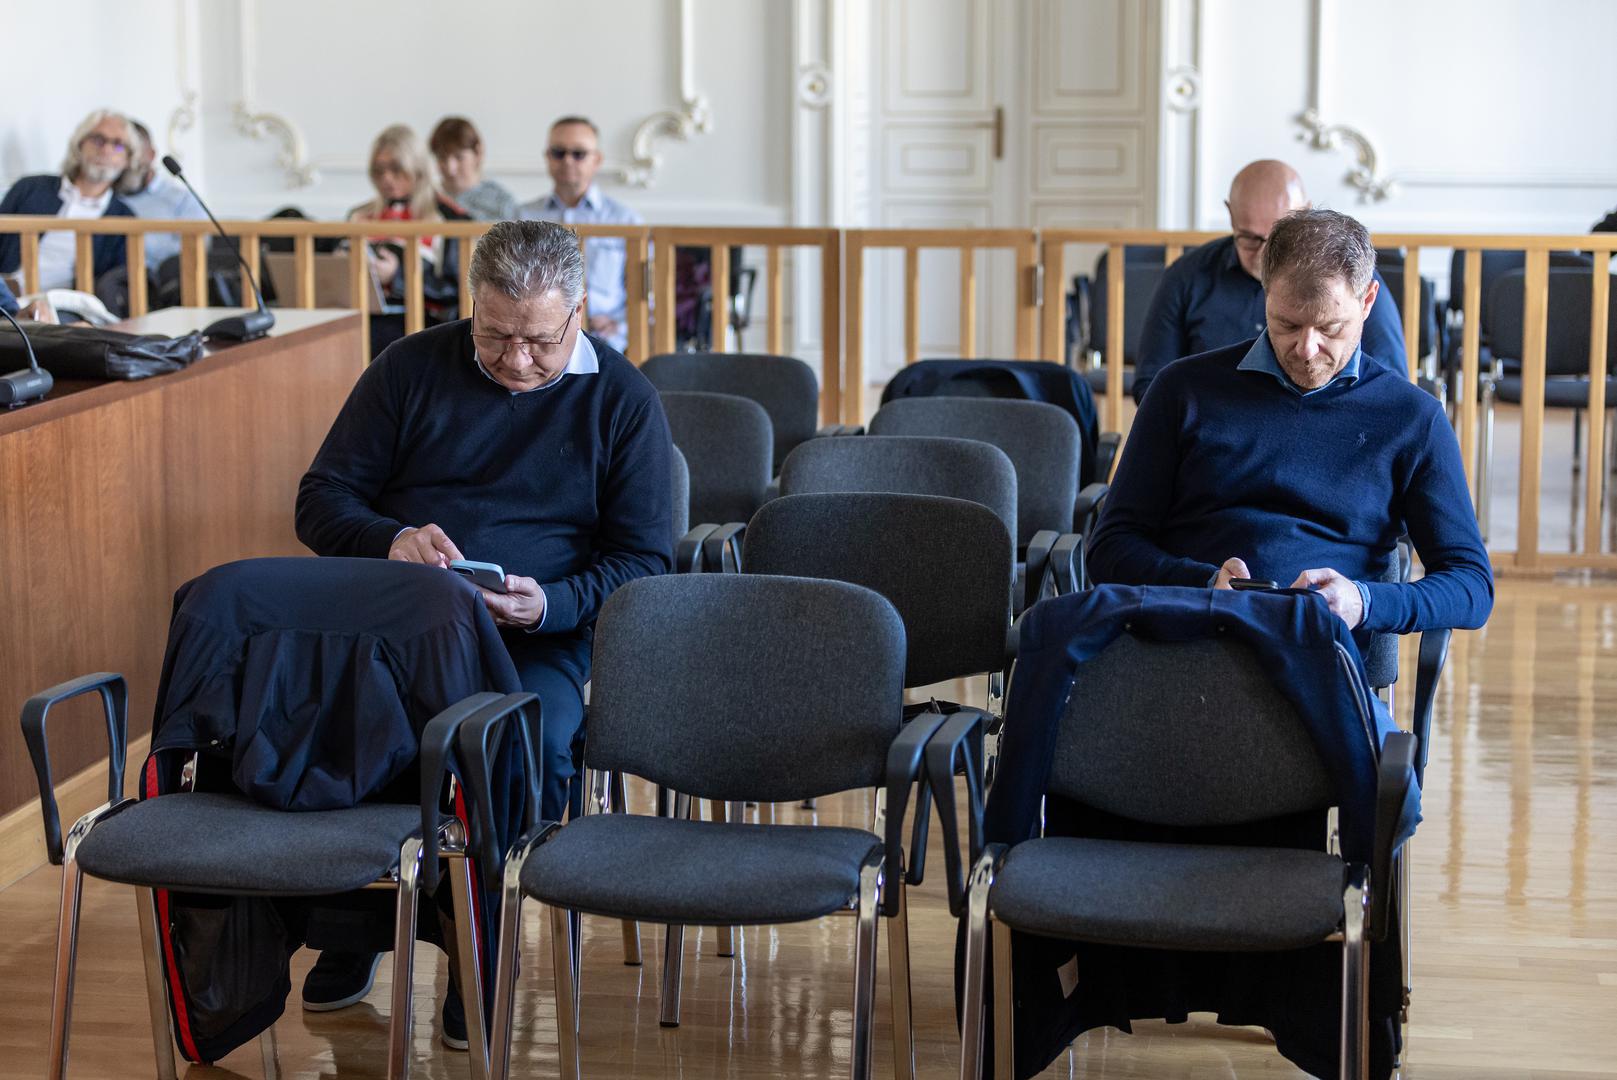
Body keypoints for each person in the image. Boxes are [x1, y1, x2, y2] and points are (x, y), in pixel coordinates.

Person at [294, 219, 673, 1041]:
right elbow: (320, 500)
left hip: (537, 637)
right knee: (347, 723)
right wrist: (389, 539)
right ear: (471, 305)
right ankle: (354, 927)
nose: (514, 360)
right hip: (405, 625)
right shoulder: (409, 368)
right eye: (493, 335)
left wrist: (551, 604)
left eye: (537, 340)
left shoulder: (622, 399)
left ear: (578, 313)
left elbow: (646, 564)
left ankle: (478, 947)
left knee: (519, 747)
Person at [1089, 207, 1492, 663]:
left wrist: (1363, 601)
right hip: (1185, 644)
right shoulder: (1182, 390)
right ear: (1265, 295)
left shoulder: (1412, 418)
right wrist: (1202, 585)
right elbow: (1109, 548)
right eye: (1287, 324)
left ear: (1367, 301)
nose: (1306, 349)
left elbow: (1471, 585)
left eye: (1330, 328)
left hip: (1317, 659)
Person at [1131, 159, 1408, 403]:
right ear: (1231, 216)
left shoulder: (1346, 279)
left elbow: (1390, 384)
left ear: (1306, 212)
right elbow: (1153, 385)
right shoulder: (1186, 276)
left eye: (1280, 237)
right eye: (1251, 239)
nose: (1266, 255)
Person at [519, 115, 641, 353]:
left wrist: (620, 325)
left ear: (597, 159)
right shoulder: (523, 216)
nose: (567, 161)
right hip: (538, 341)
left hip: (609, 343)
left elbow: (644, 291)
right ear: (547, 157)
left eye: (578, 154)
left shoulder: (626, 221)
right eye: (558, 152)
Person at [348, 124, 471, 356]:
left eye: (396, 169)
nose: (387, 179)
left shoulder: (450, 218)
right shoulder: (359, 215)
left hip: (421, 320)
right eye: (379, 170)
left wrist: (398, 276)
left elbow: (457, 289)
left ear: (417, 169)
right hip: (364, 314)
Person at [0, 109, 139, 293]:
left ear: (128, 159)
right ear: (80, 144)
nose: (106, 150)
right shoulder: (30, 188)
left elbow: (115, 287)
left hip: (69, 309)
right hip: (7, 297)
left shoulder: (124, 219)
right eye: (98, 139)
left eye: (118, 145)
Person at [117, 119, 207, 272]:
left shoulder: (181, 199)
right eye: (120, 150)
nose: (129, 162)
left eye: (135, 152)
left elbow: (197, 249)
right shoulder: (101, 195)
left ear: (151, 155)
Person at [428, 116, 519, 222]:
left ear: (478, 152)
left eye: (459, 157)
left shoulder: (502, 202)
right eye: (442, 158)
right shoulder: (425, 199)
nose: (450, 169)